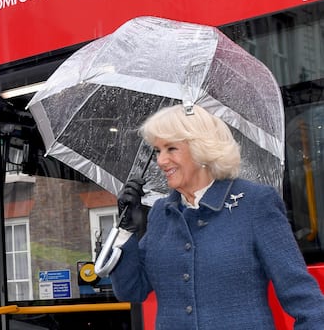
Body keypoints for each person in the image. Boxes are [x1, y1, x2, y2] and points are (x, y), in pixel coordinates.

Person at [110, 104, 324, 329]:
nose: (161, 161)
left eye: (171, 148)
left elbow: (305, 300)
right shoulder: (161, 213)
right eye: (157, 151)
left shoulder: (255, 203)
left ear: (201, 148)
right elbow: (131, 289)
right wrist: (126, 230)